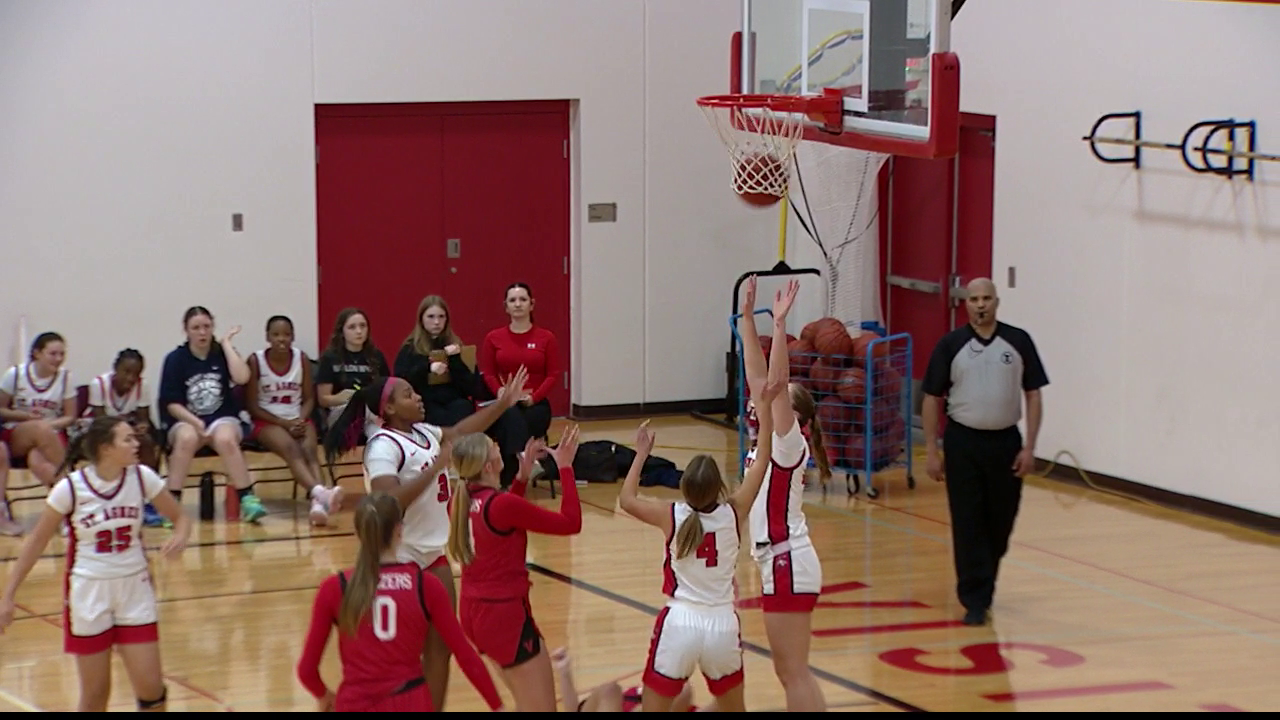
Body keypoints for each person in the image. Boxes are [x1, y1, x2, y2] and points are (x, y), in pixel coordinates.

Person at [321, 367, 528, 712]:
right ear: (388, 409)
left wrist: (503, 403)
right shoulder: (382, 447)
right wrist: (437, 468)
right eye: (407, 395)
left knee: (442, 645)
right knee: (392, 653)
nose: (417, 397)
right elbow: (387, 503)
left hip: (432, 553)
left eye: (415, 392)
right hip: (395, 556)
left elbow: (461, 430)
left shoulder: (425, 432)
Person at [617, 366, 782, 713]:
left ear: (685, 487)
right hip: (722, 623)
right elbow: (764, 457)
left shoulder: (672, 515)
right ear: (718, 488)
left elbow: (627, 500)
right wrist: (764, 411)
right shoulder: (734, 512)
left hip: (680, 622)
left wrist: (641, 454)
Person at [0, 415, 191, 712]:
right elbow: (35, 542)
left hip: (135, 589)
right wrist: (8, 595)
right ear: (106, 448)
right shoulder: (71, 489)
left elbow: (179, 516)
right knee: (96, 695)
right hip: (89, 592)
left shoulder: (142, 477)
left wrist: (180, 535)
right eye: (127, 439)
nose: (135, 443)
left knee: (152, 691)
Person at [295, 492, 505, 712]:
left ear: (358, 533)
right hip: (410, 701)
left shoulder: (335, 587)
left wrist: (324, 695)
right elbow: (465, 655)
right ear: (399, 530)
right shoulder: (426, 586)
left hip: (355, 703)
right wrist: (497, 706)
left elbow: (306, 671)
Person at [921, 277, 1049, 626]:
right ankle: (974, 599)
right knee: (968, 522)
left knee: (1000, 523)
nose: (981, 304)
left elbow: (1034, 394)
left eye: (986, 298)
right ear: (966, 304)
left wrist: (1030, 447)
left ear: (997, 302)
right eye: (974, 298)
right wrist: (932, 450)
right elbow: (932, 398)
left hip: (1005, 442)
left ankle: (985, 580)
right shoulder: (951, 345)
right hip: (963, 443)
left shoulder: (1018, 342)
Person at [735, 276, 829, 712]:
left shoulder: (790, 443)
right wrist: (749, 320)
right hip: (781, 560)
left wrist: (780, 323)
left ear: (795, 415)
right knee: (790, 671)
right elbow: (760, 378)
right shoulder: (768, 439)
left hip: (787, 558)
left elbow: (775, 379)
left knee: (793, 672)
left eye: (778, 400)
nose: (765, 400)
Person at [447, 426, 583, 712]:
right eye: (493, 445)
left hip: (475, 612)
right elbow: (570, 522)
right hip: (503, 616)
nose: (498, 444)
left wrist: (522, 477)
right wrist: (566, 468)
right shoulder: (501, 504)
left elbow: (501, 523)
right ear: (488, 465)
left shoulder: (460, 501)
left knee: (526, 702)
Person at [158, 306, 267, 523]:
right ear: (186, 331)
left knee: (225, 438)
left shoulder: (222, 353)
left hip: (222, 418)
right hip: (187, 419)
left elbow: (243, 377)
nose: (202, 332)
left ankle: (248, 499)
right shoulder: (175, 359)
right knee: (186, 438)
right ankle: (172, 504)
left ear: (213, 327)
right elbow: (171, 404)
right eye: (196, 328)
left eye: (206, 327)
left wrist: (227, 345)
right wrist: (195, 422)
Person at [245, 315, 342, 526]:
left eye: (287, 334)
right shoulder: (256, 361)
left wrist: (300, 419)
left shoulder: (302, 359)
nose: (282, 339)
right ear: (267, 337)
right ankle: (321, 494)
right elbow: (252, 405)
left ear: (293, 337)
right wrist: (284, 423)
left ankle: (318, 506)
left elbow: (309, 398)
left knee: (311, 453)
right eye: (276, 334)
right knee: (292, 449)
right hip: (267, 420)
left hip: (298, 417)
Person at [478, 282, 560, 485]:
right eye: (512, 300)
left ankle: (508, 480)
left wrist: (534, 397)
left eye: (523, 300)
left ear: (531, 305)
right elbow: (487, 373)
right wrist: (500, 392)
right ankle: (524, 462)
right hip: (504, 403)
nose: (518, 304)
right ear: (506, 306)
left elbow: (553, 374)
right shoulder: (493, 338)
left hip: (534, 404)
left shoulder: (546, 338)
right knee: (507, 414)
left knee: (510, 422)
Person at [85, 348, 166, 527]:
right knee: (109, 445)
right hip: (100, 432)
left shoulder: (142, 386)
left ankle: (147, 500)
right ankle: (105, 499)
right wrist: (127, 429)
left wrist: (142, 427)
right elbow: (100, 422)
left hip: (125, 431)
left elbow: (144, 419)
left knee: (146, 443)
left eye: (136, 374)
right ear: (115, 368)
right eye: (126, 372)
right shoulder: (98, 384)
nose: (130, 378)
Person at [0, 331, 77, 489]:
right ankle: (77, 487)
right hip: (17, 432)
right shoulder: (14, 375)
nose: (58, 359)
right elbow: (1, 410)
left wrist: (50, 425)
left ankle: (64, 502)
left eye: (62, 354)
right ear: (37, 353)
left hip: (52, 432)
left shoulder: (66, 378)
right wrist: (26, 416)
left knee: (38, 462)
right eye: (53, 354)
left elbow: (70, 416)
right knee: (39, 428)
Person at [395, 295, 479, 428]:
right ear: (421, 319)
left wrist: (455, 360)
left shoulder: (456, 345)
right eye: (431, 317)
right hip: (425, 403)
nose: (436, 322)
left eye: (441, 317)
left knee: (463, 408)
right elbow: (400, 381)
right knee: (432, 413)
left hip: (454, 403)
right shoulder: (410, 348)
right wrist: (428, 368)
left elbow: (473, 387)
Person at [551, 646, 711, 712]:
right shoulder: (630, 695)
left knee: (685, 691)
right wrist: (564, 671)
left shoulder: (681, 697)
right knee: (610, 689)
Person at [314, 307, 390, 441]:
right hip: (341, 410)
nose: (359, 331)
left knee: (381, 434)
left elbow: (387, 390)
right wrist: (341, 397)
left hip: (370, 412)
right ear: (342, 331)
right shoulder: (330, 358)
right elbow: (323, 399)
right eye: (352, 327)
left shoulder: (376, 356)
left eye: (362, 326)